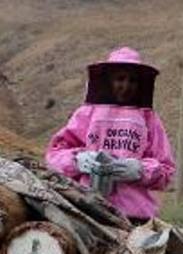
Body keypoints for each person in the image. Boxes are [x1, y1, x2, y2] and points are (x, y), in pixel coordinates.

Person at [45, 47, 176, 223]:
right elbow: (54, 155)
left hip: (135, 216)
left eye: (132, 80)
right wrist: (78, 160)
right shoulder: (87, 113)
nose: (126, 86)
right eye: (120, 78)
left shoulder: (148, 118)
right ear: (109, 80)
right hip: (87, 208)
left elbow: (166, 171)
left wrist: (139, 170)